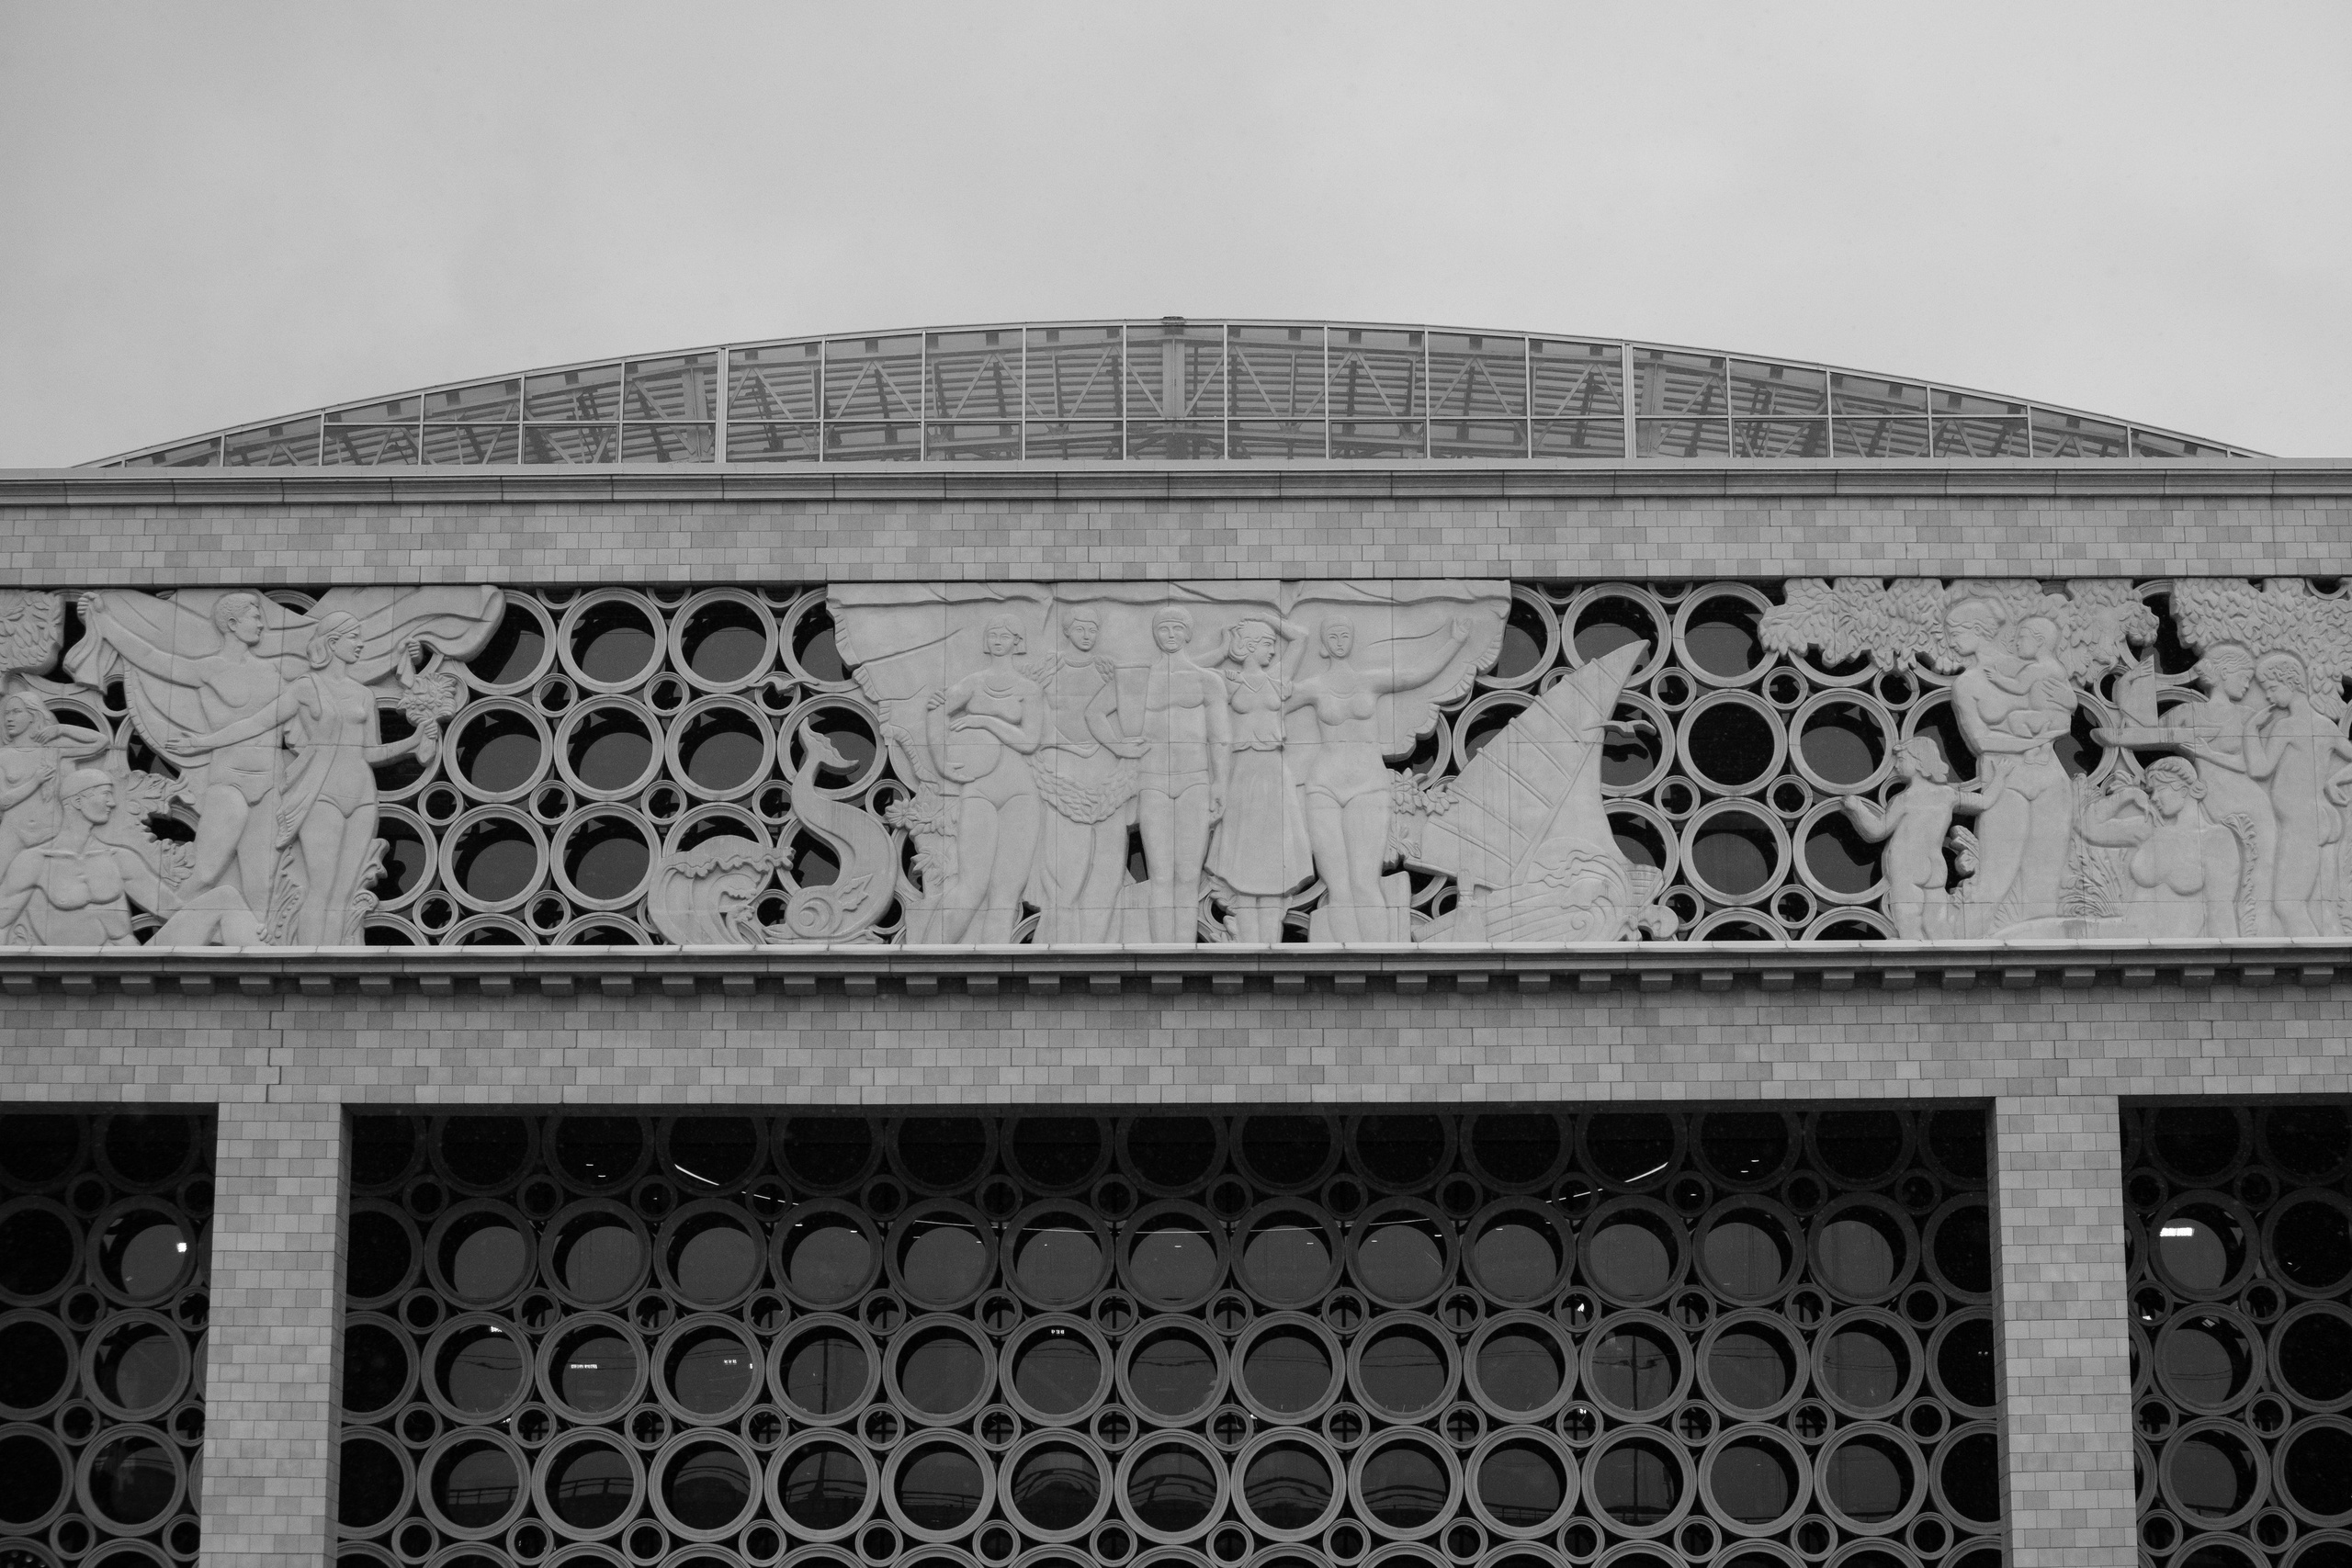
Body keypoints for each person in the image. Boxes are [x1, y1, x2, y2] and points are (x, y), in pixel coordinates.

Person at [177, 618, 435, 944]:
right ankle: (313, 960)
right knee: (322, 888)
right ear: (332, 642)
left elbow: (370, 752)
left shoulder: (363, 694)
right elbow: (257, 723)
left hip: (362, 794)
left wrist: (412, 743)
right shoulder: (305, 687)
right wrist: (203, 742)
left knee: (344, 891)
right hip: (321, 794)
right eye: (354, 637)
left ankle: (337, 965)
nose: (360, 644)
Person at [75, 590, 283, 918]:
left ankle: (260, 948)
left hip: (269, 783)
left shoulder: (273, 672)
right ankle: (174, 927)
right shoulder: (209, 670)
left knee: (262, 881)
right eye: (255, 616)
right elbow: (150, 656)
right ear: (231, 623)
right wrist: (105, 623)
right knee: (207, 872)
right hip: (231, 783)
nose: (262, 624)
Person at [1285, 614, 1472, 942]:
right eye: (1333, 636)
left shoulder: (1369, 681)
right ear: (1325, 645)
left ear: (1352, 640)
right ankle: (1348, 968)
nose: (1340, 641)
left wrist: (1455, 641)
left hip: (1366, 785)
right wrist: (1291, 644)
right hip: (1323, 786)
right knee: (1338, 889)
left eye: (1345, 634)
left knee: (1364, 881)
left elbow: (1417, 675)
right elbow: (1272, 698)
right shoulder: (1314, 688)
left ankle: (1380, 964)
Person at [2096, 644, 2276, 935]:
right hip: (2206, 800)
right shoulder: (2186, 712)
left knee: (2261, 883)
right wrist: (2128, 693)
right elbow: (2140, 732)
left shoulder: (2244, 717)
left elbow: (2254, 766)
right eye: (2244, 675)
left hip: (2249, 805)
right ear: (2224, 673)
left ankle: (2264, 939)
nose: (2247, 683)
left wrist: (2203, 752)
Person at [2187, 650, 2352, 939]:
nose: (2269, 697)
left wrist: (2251, 729)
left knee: (2287, 905)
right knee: (2314, 906)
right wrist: (2334, 782)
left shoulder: (2286, 727)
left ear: (2293, 684)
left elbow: (2260, 769)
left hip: (2300, 824)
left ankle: (2314, 968)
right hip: (2313, 820)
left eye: (2273, 689)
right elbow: (2250, 765)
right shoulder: (2326, 727)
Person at [0, 768, 257, 947]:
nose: (112, 803)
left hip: (136, 966)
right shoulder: (34, 862)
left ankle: (263, 958)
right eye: (105, 794)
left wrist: (244, 927)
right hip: (70, 974)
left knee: (226, 898)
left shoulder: (118, 859)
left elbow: (172, 909)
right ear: (77, 801)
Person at [1941, 599, 2076, 936]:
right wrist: (2030, 742)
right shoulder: (1966, 684)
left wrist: (2051, 725)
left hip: (2050, 778)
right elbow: (1982, 740)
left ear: (1978, 630)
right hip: (2005, 782)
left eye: (1955, 632)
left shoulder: (2033, 667)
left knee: (2046, 885)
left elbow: (2064, 711)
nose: (1950, 640)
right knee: (1995, 880)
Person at [921, 613, 1046, 944]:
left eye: (1006, 634)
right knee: (971, 887)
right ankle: (927, 957)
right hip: (979, 791)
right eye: (993, 633)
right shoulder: (973, 683)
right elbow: (936, 710)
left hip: (1020, 793)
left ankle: (997, 974)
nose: (999, 639)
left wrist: (983, 721)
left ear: (1018, 642)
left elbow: (1029, 741)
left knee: (1006, 894)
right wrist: (942, 762)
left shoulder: (1029, 690)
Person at [1113, 606, 1228, 944]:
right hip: (1152, 781)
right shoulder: (1141, 680)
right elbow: (1100, 713)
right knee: (1161, 875)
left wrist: (1221, 783)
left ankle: (1184, 949)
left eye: (1178, 628)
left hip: (1194, 779)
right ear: (1155, 634)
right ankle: (1164, 951)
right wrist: (1118, 748)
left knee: (1188, 875)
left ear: (1188, 634)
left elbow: (1219, 737)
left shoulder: (1207, 681)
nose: (1171, 635)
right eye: (1164, 629)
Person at [1028, 608, 1139, 944]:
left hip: (1107, 774)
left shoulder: (1108, 672)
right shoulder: (1048, 671)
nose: (1087, 634)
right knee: (1066, 870)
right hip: (1062, 772)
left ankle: (1099, 943)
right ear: (1067, 631)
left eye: (1093, 628)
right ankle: (1061, 946)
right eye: (1080, 628)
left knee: (1108, 870)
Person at [1206, 617, 1313, 942]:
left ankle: (1269, 939)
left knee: (1274, 859)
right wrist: (1221, 648)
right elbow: (1181, 672)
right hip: (1241, 773)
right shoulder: (1227, 682)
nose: (1273, 649)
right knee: (1242, 860)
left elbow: (1301, 636)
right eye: (1267, 643)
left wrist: (1268, 616)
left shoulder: (1276, 679)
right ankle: (1248, 936)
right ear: (1251, 646)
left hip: (1273, 772)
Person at [1838, 736, 1997, 941]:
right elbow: (1985, 802)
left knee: (1909, 922)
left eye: (1902, 760)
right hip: (1936, 867)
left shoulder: (1905, 800)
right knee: (1939, 924)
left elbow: (1876, 832)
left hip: (1908, 866)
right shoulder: (1948, 795)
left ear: (1919, 762)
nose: (1896, 767)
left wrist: (1856, 809)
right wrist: (2000, 777)